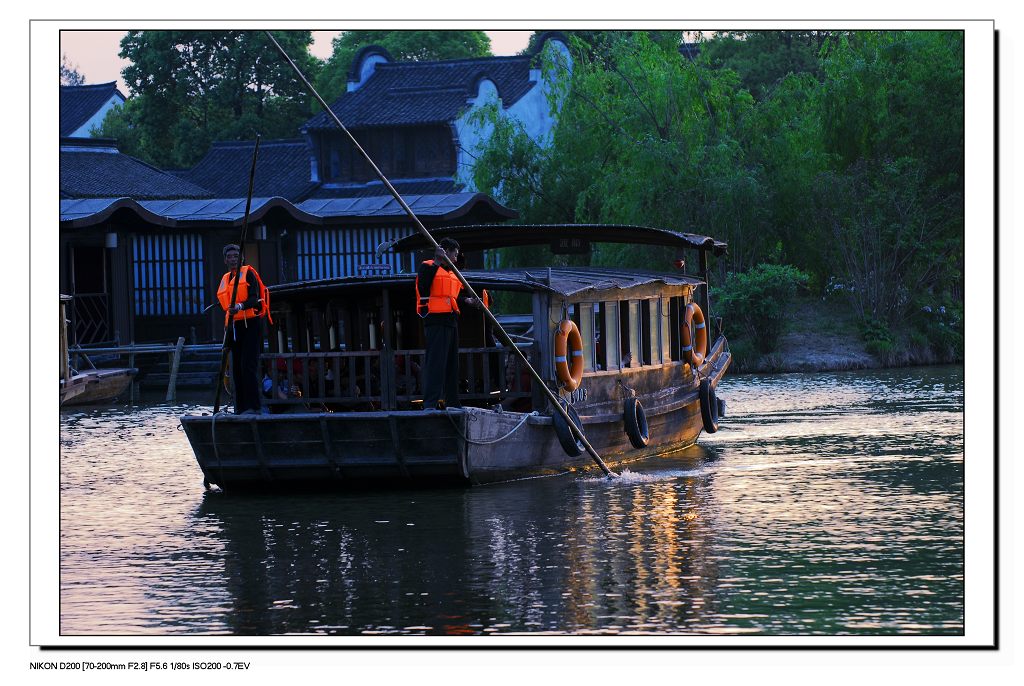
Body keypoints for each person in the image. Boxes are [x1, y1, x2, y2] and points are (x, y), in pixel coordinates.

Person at [415, 238, 479, 409]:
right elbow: (424, 288)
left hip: (451, 320)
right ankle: (430, 402)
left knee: (452, 364)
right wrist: (437, 260)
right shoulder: (427, 267)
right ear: (445, 252)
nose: (456, 259)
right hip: (435, 319)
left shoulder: (452, 273)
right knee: (436, 362)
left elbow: (452, 296)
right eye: (454, 254)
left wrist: (466, 300)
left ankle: (452, 401)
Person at [218, 244, 271, 414]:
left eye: (236, 256)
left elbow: (254, 298)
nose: (233, 259)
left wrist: (240, 306)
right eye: (230, 256)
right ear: (225, 259)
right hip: (235, 325)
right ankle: (240, 408)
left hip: (251, 323)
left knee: (248, 366)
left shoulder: (248, 273)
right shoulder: (226, 278)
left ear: (241, 258)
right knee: (236, 369)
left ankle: (254, 407)